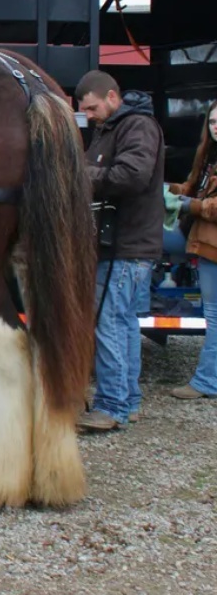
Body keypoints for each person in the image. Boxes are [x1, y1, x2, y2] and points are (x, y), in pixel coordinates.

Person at [75, 70, 165, 432]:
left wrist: (75, 174)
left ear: (113, 96)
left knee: (107, 322)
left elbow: (131, 176)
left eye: (93, 108)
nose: (90, 115)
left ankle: (110, 406)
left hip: (125, 244)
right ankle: (127, 402)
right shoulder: (113, 128)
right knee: (124, 323)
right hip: (127, 243)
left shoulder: (137, 126)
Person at [163, 98, 217, 401]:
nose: (216, 126)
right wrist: (167, 190)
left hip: (214, 247)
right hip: (208, 244)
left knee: (215, 317)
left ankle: (208, 381)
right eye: (211, 122)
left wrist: (189, 205)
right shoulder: (209, 156)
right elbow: (192, 187)